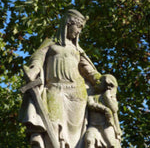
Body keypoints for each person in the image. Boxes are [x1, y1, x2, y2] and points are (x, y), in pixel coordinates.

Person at [19, 9, 102, 148]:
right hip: (55, 90)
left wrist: (101, 80)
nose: (79, 32)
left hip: (77, 94)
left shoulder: (78, 50)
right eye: (78, 27)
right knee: (52, 124)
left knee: (78, 137)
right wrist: (33, 70)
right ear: (68, 24)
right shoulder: (50, 44)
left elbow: (89, 70)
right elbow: (38, 59)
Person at [85, 75, 122, 148]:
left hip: (106, 125)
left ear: (107, 84)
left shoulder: (110, 98)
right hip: (93, 125)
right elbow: (91, 104)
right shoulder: (91, 97)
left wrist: (107, 97)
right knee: (89, 140)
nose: (97, 82)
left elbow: (114, 109)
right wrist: (105, 109)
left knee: (112, 144)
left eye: (101, 81)